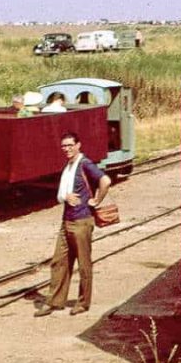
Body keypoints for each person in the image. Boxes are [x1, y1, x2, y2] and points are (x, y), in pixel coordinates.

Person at [34, 131, 111, 317]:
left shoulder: (85, 164)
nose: (67, 148)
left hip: (81, 220)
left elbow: (105, 180)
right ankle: (54, 301)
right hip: (67, 220)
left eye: (70, 145)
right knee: (59, 261)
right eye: (64, 146)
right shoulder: (69, 166)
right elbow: (62, 194)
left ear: (78, 145)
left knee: (83, 264)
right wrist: (66, 197)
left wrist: (96, 200)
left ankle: (83, 303)